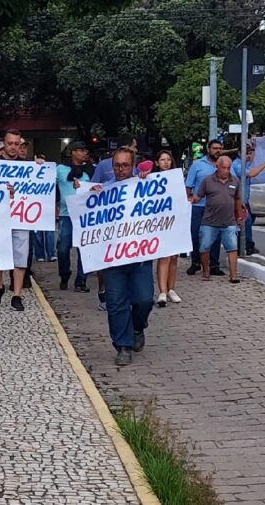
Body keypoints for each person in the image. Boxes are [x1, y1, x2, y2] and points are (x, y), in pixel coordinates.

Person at [92, 147, 154, 366]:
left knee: (144, 300)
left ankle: (138, 326)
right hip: (113, 259)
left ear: (133, 165)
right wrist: (89, 195)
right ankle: (123, 346)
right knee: (116, 303)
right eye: (117, 165)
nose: (120, 169)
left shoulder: (145, 187)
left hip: (140, 257)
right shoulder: (103, 192)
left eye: (125, 165)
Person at [0, 129, 30, 311]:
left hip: (21, 218)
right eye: (10, 143)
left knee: (20, 257)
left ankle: (17, 295)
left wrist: (40, 165)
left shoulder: (28, 167)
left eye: (17, 144)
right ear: (3, 144)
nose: (13, 147)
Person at [192, 156, 244, 283]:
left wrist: (239, 215)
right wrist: (191, 199)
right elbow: (199, 196)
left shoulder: (235, 181)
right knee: (204, 247)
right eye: (223, 168)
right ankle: (206, 271)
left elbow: (237, 199)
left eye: (228, 168)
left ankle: (233, 274)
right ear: (217, 167)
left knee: (232, 248)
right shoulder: (208, 181)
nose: (226, 171)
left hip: (229, 221)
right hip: (209, 221)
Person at [56, 141, 94, 292]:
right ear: (72, 152)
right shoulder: (60, 169)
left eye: (85, 150)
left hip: (84, 216)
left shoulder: (90, 171)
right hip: (66, 215)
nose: (84, 153)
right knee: (63, 249)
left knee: (83, 249)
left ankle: (81, 281)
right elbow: (45, 183)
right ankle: (64, 274)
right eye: (80, 150)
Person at [185, 140, 225, 276]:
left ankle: (214, 264)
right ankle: (195, 262)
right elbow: (188, 186)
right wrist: (188, 199)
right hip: (198, 206)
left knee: (215, 236)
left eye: (220, 148)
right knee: (195, 234)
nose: (217, 151)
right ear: (208, 149)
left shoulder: (224, 166)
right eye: (214, 148)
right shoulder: (197, 165)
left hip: (216, 207)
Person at [231, 143, 265, 255]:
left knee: (247, 221)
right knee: (246, 221)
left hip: (245, 199)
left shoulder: (246, 164)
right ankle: (246, 245)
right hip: (239, 200)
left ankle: (243, 244)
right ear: (240, 153)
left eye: (251, 153)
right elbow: (250, 174)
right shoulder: (237, 165)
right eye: (247, 153)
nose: (250, 156)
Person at [153, 150, 182, 307]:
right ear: (157, 162)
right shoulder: (152, 180)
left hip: (175, 222)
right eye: (162, 159)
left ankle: (172, 289)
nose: (166, 162)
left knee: (174, 257)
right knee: (163, 257)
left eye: (168, 160)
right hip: (159, 223)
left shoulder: (176, 179)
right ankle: (162, 291)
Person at [34, 154, 56, 262]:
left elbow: (55, 191)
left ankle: (51, 254)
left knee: (49, 232)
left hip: (48, 206)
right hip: (34, 207)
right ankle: (40, 255)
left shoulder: (50, 174)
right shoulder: (31, 174)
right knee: (38, 233)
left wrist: (56, 204)